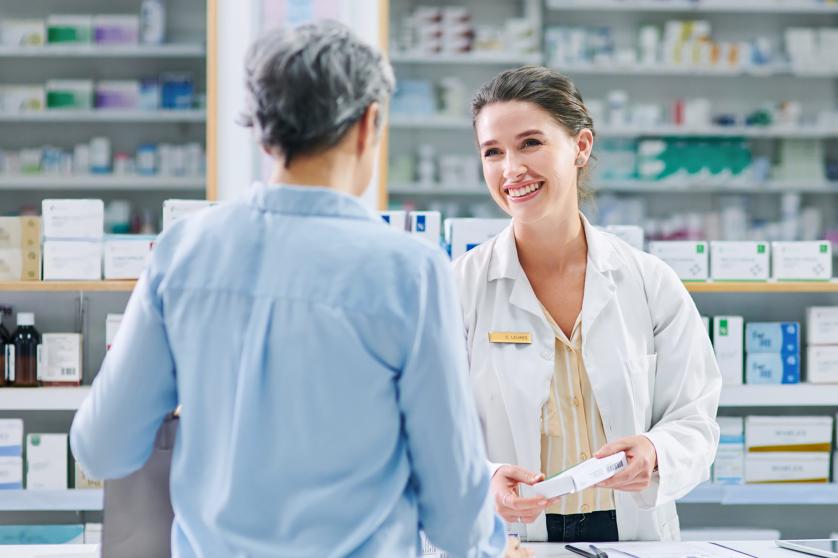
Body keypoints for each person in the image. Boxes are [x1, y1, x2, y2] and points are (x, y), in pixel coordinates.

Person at [71, 21, 510, 558]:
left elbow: (103, 448)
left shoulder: (185, 251)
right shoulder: (409, 271)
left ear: (261, 129)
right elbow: (454, 510)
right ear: (369, 123)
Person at [453, 65, 722, 543]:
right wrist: (485, 477)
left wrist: (655, 452)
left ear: (580, 147)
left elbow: (695, 419)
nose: (511, 168)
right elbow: (433, 431)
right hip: (511, 537)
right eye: (492, 152)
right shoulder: (460, 290)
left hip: (631, 533)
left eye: (531, 143)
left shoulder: (648, 281)